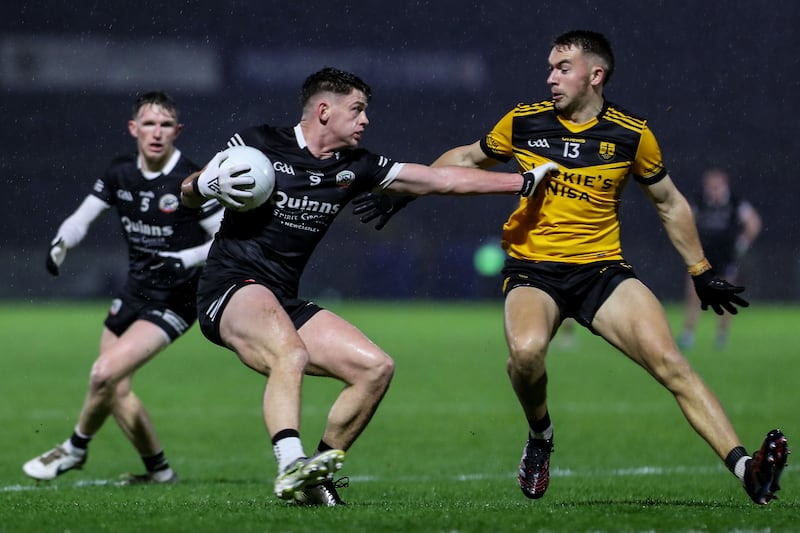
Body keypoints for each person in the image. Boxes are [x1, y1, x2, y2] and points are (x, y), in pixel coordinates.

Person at [362, 31, 788, 505]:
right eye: (550, 67)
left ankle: (748, 470)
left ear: (595, 75)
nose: (550, 77)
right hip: (533, 272)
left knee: (672, 365)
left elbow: (668, 202)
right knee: (525, 355)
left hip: (602, 273)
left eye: (562, 67)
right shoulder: (525, 121)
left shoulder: (631, 133)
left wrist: (701, 270)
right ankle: (541, 438)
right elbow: (465, 158)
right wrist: (407, 190)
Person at [179, 67, 558, 506]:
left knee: (374, 369)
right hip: (228, 289)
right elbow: (187, 193)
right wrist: (201, 185)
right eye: (357, 110)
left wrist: (522, 181)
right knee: (292, 352)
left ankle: (314, 478)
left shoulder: (355, 165)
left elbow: (440, 180)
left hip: (280, 299)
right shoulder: (258, 142)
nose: (365, 120)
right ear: (324, 110)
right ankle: (289, 464)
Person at [23, 91, 223, 485]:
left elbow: (223, 238)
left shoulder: (192, 180)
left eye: (166, 125)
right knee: (114, 388)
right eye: (148, 123)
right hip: (134, 292)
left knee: (103, 375)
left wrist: (183, 260)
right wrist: (62, 243)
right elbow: (83, 216)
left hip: (176, 299)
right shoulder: (119, 172)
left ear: (177, 131)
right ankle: (160, 472)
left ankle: (75, 449)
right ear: (133, 128)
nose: (157, 132)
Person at [677, 167, 762, 350]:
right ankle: (688, 334)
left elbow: (754, 222)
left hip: (725, 256)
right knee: (694, 294)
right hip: (701, 255)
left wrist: (743, 242)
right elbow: (683, 220)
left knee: (724, 296)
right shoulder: (699, 201)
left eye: (717, 186)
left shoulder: (735, 202)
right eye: (710, 186)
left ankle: (722, 336)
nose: (713, 190)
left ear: (725, 186)